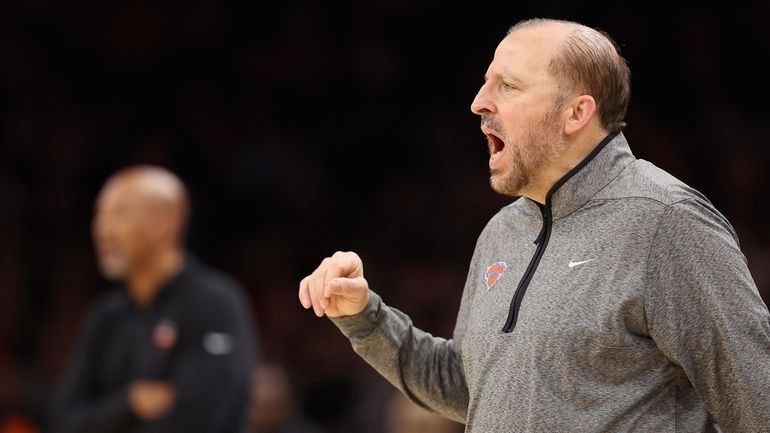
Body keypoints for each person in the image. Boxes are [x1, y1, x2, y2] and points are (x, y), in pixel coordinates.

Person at [298, 18, 770, 432]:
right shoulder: (502, 231)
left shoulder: (666, 223)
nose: (479, 102)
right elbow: (467, 390)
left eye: (508, 86)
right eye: (486, 83)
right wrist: (363, 316)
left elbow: (758, 405)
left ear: (576, 113)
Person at [49, 165, 259, 433]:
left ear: (165, 224)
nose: (102, 228)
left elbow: (200, 419)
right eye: (99, 214)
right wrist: (130, 402)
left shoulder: (216, 303)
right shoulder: (106, 316)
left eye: (120, 213)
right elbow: (63, 420)